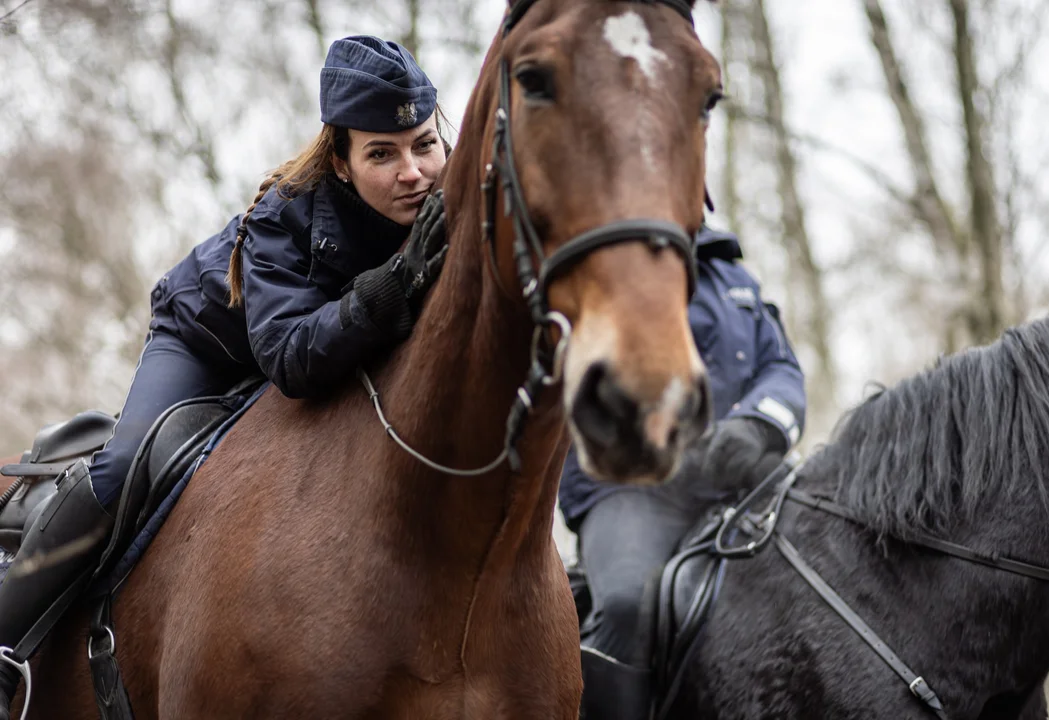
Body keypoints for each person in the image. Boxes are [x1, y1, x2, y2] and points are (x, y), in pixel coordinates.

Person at [0, 36, 449, 717]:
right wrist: (392, 287)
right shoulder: (283, 215)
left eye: (424, 144)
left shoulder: (451, 206)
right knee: (127, 463)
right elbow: (293, 358)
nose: (413, 171)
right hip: (208, 344)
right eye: (382, 154)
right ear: (341, 160)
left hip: (313, 354)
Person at [560, 227, 807, 720]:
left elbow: (781, 366)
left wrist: (759, 424)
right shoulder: (593, 268)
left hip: (747, 478)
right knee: (631, 604)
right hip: (630, 490)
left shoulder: (732, 274)